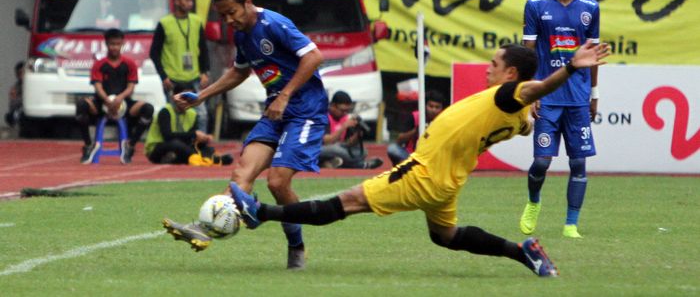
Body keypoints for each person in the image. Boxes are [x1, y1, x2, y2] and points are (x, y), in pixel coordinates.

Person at [167, 42, 610, 277]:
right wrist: (530, 118)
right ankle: (524, 253)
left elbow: (535, 91)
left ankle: (260, 211)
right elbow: (527, 117)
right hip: (447, 180)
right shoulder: (515, 112)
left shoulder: (511, 92)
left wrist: (570, 69)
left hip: (423, 172)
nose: (489, 68)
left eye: (495, 63)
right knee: (446, 236)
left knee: (346, 203)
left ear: (512, 74)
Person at [163, 0, 328, 269]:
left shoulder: (273, 24)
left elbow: (314, 56)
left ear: (247, 2)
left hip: (305, 113)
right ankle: (204, 228)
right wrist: (201, 96)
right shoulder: (241, 35)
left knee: (277, 182)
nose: (228, 20)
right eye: (222, 15)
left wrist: (285, 96)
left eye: (232, 12)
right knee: (241, 175)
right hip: (275, 113)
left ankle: (296, 246)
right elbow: (238, 73)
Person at [519, 0, 601, 239]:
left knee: (578, 162)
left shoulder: (590, 8)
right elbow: (527, 55)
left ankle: (571, 224)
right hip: (547, 97)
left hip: (578, 99)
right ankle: (533, 201)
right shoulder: (536, 5)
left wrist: (593, 95)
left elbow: (592, 56)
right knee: (542, 161)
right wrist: (531, 92)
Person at [77, 28, 154, 164]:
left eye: (118, 44)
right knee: (81, 104)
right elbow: (97, 86)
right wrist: (106, 99)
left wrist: (120, 98)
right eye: (112, 44)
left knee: (148, 109)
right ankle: (89, 145)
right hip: (102, 104)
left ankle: (130, 145)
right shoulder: (99, 64)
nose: (115, 47)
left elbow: (131, 86)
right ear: (106, 44)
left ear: (122, 44)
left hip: (124, 104)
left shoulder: (129, 64)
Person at [150, 0, 210, 132]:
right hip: (173, 80)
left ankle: (200, 149)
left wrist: (204, 72)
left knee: (201, 115)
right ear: (176, 1)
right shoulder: (164, 23)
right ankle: (176, 149)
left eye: (191, 0)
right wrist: (164, 77)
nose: (190, 3)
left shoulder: (196, 21)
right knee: (174, 116)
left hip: (194, 78)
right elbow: (154, 53)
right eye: (186, 0)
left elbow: (203, 48)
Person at [144, 84, 233, 166]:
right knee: (176, 144)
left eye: (190, 97)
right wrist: (194, 134)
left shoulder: (192, 113)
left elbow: (191, 139)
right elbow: (167, 136)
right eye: (183, 97)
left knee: (203, 147)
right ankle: (207, 159)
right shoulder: (165, 111)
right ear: (174, 97)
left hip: (181, 147)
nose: (187, 101)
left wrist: (202, 138)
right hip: (156, 148)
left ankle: (178, 159)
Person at [318, 91, 383, 169]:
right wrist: (344, 127)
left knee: (363, 152)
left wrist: (357, 136)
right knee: (337, 149)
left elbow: (346, 143)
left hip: (338, 148)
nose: (345, 113)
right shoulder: (323, 117)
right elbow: (326, 141)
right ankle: (362, 165)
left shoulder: (344, 118)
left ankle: (331, 163)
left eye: (347, 111)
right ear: (332, 106)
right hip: (320, 148)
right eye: (342, 110)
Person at [387, 89, 445, 165]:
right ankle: (400, 169)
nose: (433, 110)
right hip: (411, 155)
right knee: (392, 149)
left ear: (442, 108)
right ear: (425, 106)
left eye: (437, 107)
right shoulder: (414, 116)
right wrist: (415, 131)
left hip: (432, 157)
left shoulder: (444, 120)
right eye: (431, 106)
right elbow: (399, 140)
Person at [5, 61, 24, 127]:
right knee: (9, 116)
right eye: (19, 73)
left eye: (23, 72)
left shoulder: (33, 85)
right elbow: (12, 105)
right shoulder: (15, 87)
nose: (22, 75)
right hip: (20, 110)